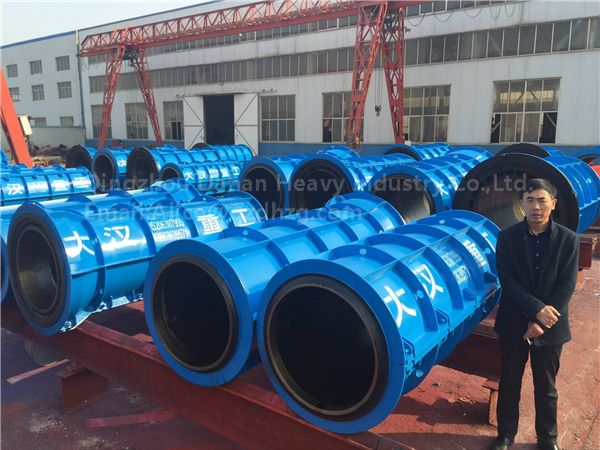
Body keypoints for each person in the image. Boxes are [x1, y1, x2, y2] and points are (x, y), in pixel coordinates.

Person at [489, 178, 579, 450]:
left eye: (542, 200)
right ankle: (505, 435)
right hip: (514, 321)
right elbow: (507, 281)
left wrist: (543, 321)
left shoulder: (568, 239)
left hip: (551, 324)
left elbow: (566, 285)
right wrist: (537, 310)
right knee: (510, 381)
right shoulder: (507, 237)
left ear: (553, 203)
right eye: (530, 200)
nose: (536, 207)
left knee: (546, 386)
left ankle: (547, 438)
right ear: (522, 204)